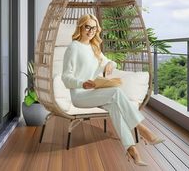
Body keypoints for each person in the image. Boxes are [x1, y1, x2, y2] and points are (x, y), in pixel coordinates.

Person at [62, 14, 164, 166]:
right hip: (80, 95)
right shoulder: (73, 48)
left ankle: (131, 150)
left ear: (97, 29)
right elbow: (65, 77)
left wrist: (110, 64)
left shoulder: (94, 47)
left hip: (94, 93)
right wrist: (82, 83)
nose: (90, 30)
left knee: (115, 107)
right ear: (81, 27)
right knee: (116, 92)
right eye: (87, 27)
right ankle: (142, 129)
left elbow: (109, 62)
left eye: (94, 27)